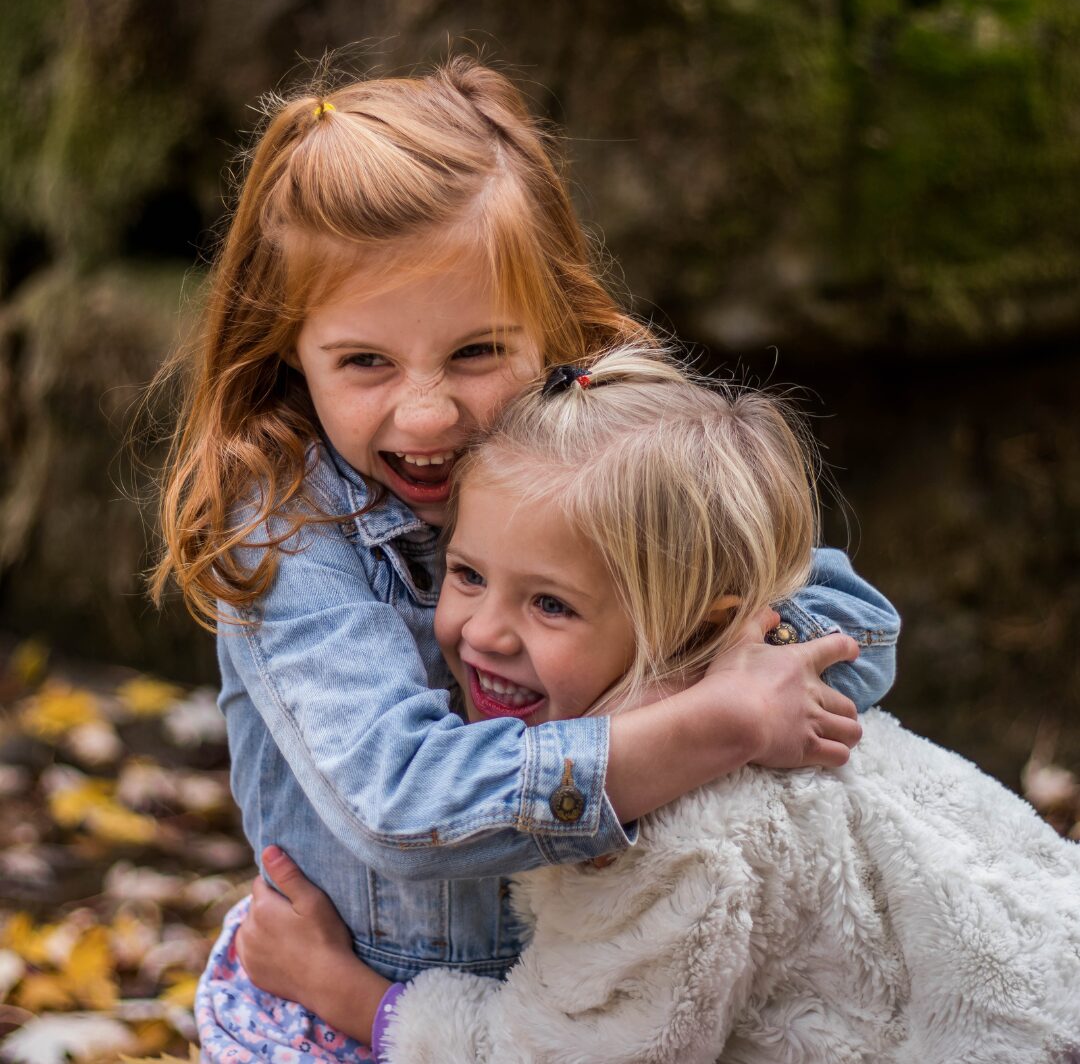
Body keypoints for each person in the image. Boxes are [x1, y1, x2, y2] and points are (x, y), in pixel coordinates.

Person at [149, 58, 898, 1058]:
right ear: (289, 347)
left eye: (476, 355)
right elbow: (402, 803)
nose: (427, 414)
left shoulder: (602, 455)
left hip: (596, 995)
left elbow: (857, 632)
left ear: (551, 322)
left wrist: (704, 669)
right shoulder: (288, 526)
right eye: (365, 362)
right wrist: (704, 726)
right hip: (360, 1002)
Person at [239, 347, 1080, 1064]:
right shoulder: (755, 686)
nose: (483, 633)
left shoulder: (679, 836)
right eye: (467, 575)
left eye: (551, 605)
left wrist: (344, 994)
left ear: (697, 624)